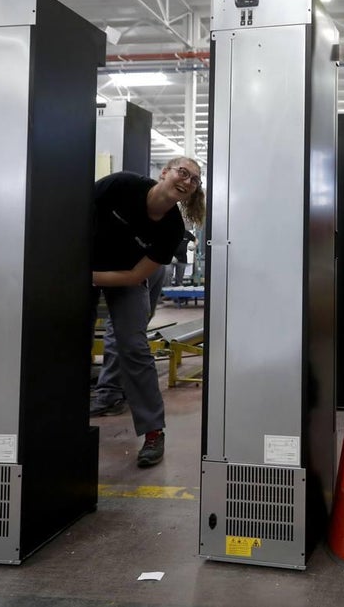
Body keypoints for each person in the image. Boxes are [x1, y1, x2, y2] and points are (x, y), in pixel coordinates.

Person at [89, 157, 206, 466]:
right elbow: (75, 212)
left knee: (133, 345)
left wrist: (88, 278)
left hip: (124, 275)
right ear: (164, 172)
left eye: (194, 180)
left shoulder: (172, 229)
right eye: (183, 172)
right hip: (83, 259)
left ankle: (154, 432)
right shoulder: (123, 185)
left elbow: (133, 277)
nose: (187, 180)